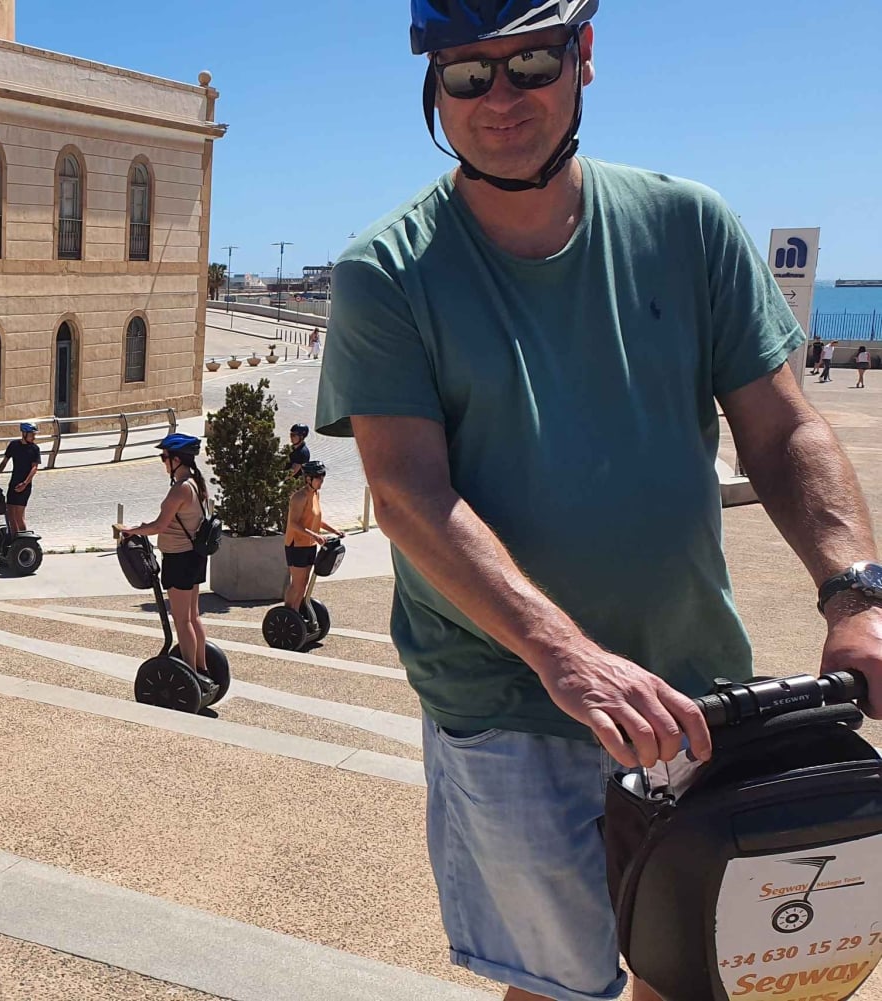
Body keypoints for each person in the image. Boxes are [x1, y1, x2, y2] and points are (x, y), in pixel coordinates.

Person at [315, 4, 882, 1001]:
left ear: (583, 57)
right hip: (508, 704)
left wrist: (856, 590)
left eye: (531, 62)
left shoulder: (687, 225)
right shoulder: (386, 272)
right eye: (467, 75)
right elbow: (406, 491)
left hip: (700, 688)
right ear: (432, 86)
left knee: (700, 972)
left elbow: (785, 429)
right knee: (557, 989)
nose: (500, 99)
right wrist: (563, 653)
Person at [116, 434, 214, 699]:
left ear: (176, 459)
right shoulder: (196, 484)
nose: (163, 462)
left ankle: (193, 676)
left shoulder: (181, 488)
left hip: (179, 559)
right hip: (194, 557)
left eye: (164, 458)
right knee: (193, 618)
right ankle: (203, 671)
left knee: (183, 622)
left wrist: (131, 530)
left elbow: (159, 526)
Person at [283, 461, 344, 613]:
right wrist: (315, 535)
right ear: (308, 479)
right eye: (319, 479)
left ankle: (296, 612)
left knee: (304, 583)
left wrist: (334, 530)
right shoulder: (299, 498)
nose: (321, 482)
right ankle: (288, 613)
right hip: (296, 545)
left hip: (309, 545)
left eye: (322, 479)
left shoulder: (316, 495)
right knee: (297, 584)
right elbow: (294, 524)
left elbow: (316, 520)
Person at [0, 422, 41, 535]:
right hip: (13, 483)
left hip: (25, 486)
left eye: (34, 434)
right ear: (24, 433)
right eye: (32, 434)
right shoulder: (14, 445)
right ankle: (14, 540)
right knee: (10, 513)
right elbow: (4, 462)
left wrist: (25, 483)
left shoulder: (34, 449)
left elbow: (34, 469)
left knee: (19, 515)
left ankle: (24, 540)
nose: (34, 437)